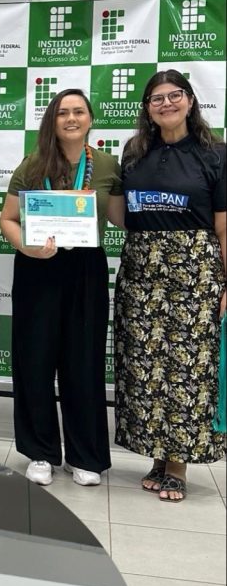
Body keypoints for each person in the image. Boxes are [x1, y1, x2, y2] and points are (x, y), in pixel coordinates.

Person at [0, 89, 124, 487]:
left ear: (90, 118)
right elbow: (8, 219)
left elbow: (121, 218)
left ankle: (84, 455)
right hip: (38, 267)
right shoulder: (33, 164)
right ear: (51, 121)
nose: (71, 119)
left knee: (83, 361)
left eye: (78, 112)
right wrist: (28, 247)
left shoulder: (107, 165)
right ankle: (40, 452)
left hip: (86, 268)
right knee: (35, 359)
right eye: (62, 113)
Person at [114, 70, 226, 502]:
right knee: (143, 363)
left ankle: (177, 463)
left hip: (194, 271)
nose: (166, 104)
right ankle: (156, 457)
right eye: (156, 98)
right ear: (146, 108)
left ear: (191, 100)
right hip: (141, 268)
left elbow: (223, 227)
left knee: (188, 368)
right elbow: (123, 212)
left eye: (174, 95)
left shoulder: (216, 154)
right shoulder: (134, 151)